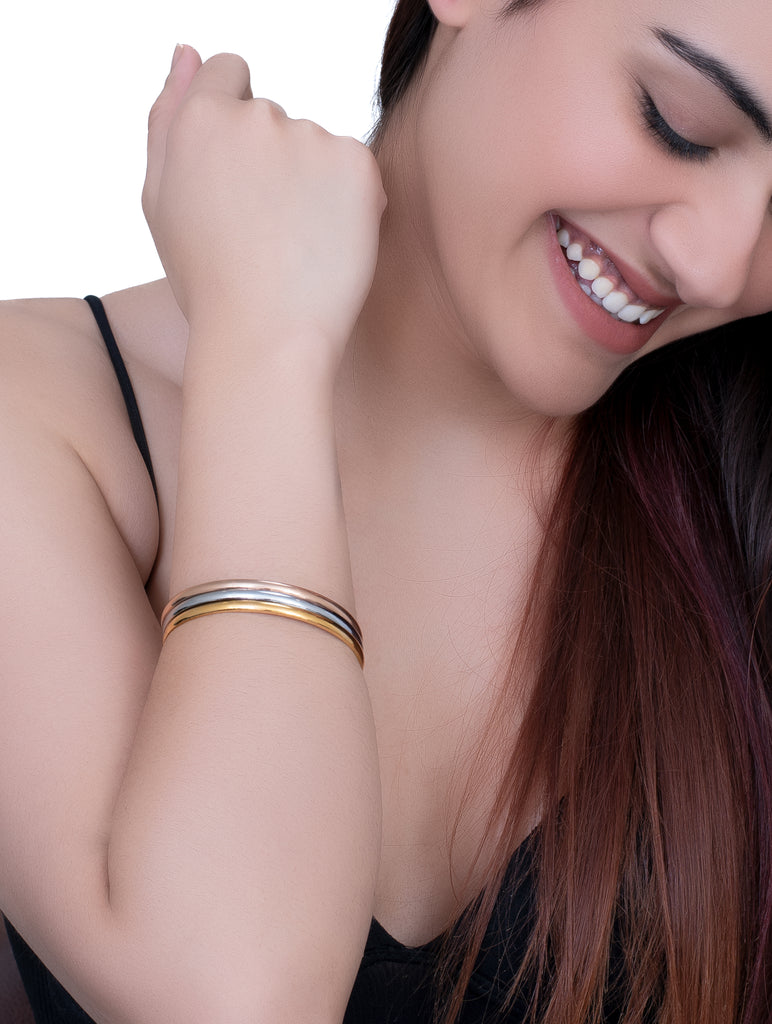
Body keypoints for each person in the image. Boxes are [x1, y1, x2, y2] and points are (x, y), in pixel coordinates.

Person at [1, 0, 770, 1022]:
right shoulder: (40, 418)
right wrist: (265, 342)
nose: (722, 266)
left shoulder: (743, 497)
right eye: (678, 122)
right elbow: (235, 998)